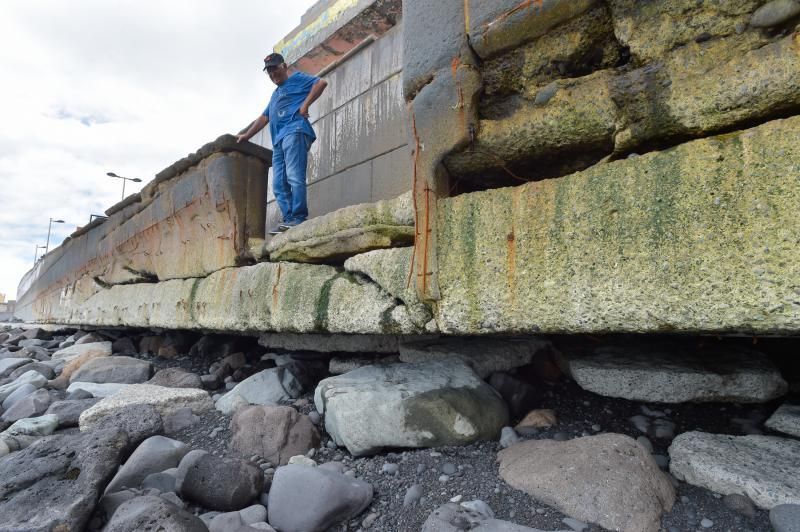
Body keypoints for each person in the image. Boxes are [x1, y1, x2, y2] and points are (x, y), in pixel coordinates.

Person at [237, 53, 328, 234]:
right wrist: (247, 135)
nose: (272, 74)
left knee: (294, 175)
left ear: (284, 66)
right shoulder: (275, 95)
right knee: (278, 184)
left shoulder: (297, 78)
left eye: (275, 69)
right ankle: (289, 219)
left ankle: (299, 217)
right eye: (269, 72)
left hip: (294, 131)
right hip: (278, 142)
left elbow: (321, 83)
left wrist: (304, 106)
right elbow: (264, 117)